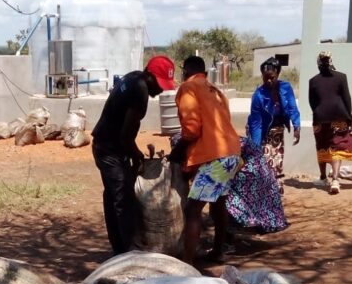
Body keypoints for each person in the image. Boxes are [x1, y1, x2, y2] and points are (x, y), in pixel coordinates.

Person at [91, 55, 175, 254]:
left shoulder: (134, 77)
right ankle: (130, 251)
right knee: (124, 199)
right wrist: (136, 154)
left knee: (113, 195)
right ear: (150, 76)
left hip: (106, 145)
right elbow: (126, 136)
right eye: (160, 83)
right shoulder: (140, 91)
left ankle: (119, 249)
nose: (161, 89)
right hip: (109, 149)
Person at [170, 55, 243, 264]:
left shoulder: (188, 88)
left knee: (192, 209)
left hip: (216, 157)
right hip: (231, 153)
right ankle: (218, 251)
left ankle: (187, 262)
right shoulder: (215, 90)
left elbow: (192, 129)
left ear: (185, 71)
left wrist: (179, 149)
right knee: (219, 204)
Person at [308, 50, 352, 194]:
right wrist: (349, 117)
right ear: (331, 61)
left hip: (320, 118)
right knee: (336, 146)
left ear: (318, 63)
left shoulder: (313, 81)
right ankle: (336, 180)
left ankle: (323, 177)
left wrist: (319, 112)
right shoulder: (341, 77)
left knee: (322, 146)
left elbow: (312, 102)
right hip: (339, 117)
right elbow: (347, 99)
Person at [247, 56, 301, 192]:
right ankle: (267, 186)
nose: (269, 80)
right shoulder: (258, 96)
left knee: (277, 156)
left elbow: (292, 108)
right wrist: (256, 145)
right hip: (261, 129)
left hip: (277, 128)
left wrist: (296, 126)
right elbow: (256, 123)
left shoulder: (286, 88)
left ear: (277, 74)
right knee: (264, 156)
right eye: (266, 78)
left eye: (272, 77)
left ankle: (276, 184)